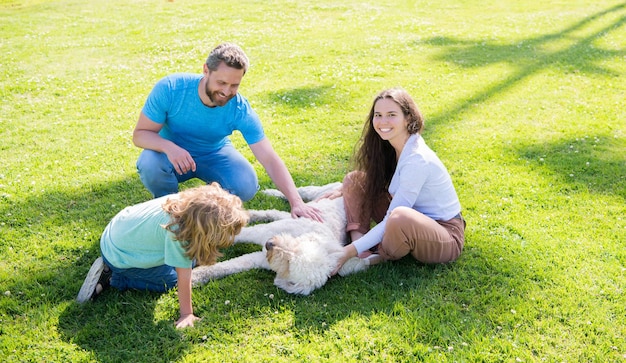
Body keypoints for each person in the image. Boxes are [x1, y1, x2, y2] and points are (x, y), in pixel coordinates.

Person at [133, 42, 321, 222]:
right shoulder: (171, 89)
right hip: (171, 156)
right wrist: (169, 147)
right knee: (149, 163)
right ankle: (167, 207)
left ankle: (201, 204)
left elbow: (269, 158)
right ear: (206, 70)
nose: (226, 91)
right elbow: (140, 134)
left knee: (245, 185)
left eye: (234, 85)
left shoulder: (239, 109)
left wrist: (297, 202)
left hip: (213, 153)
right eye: (221, 82)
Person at [76, 183, 249, 329]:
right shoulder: (178, 233)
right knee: (169, 279)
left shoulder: (184, 203)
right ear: (204, 231)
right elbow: (184, 277)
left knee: (189, 260)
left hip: (115, 231)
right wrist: (186, 314)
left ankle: (114, 269)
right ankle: (112, 277)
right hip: (120, 257)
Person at [331, 87, 466, 273]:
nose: (382, 121)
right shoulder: (393, 147)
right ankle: (359, 246)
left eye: (391, 114)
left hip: (445, 234)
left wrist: (345, 252)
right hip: (408, 219)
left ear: (408, 118)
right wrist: (344, 191)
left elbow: (393, 217)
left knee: (399, 216)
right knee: (356, 180)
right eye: (378, 115)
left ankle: (376, 257)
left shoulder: (417, 159)